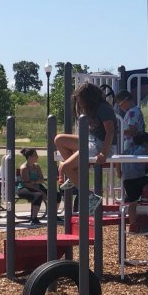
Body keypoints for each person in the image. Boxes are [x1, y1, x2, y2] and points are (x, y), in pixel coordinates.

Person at [54, 82, 116, 215]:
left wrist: (103, 153)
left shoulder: (103, 108)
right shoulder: (90, 110)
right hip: (91, 141)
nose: (79, 103)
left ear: (89, 98)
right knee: (59, 140)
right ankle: (74, 172)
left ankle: (91, 197)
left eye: (80, 99)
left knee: (64, 168)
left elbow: (110, 132)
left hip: (102, 145)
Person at [120, 132, 148, 231]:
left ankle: (133, 224)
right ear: (145, 142)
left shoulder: (126, 151)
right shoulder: (145, 149)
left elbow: (117, 161)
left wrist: (118, 172)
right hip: (139, 179)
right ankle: (147, 189)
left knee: (133, 203)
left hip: (127, 180)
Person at [16, 148, 48, 226]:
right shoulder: (24, 168)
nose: (37, 157)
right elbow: (27, 184)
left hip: (36, 187)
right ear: (30, 157)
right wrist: (40, 190)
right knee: (38, 195)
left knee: (56, 195)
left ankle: (54, 215)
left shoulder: (37, 166)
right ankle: (34, 218)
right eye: (35, 155)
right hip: (23, 189)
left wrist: (35, 182)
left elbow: (41, 179)